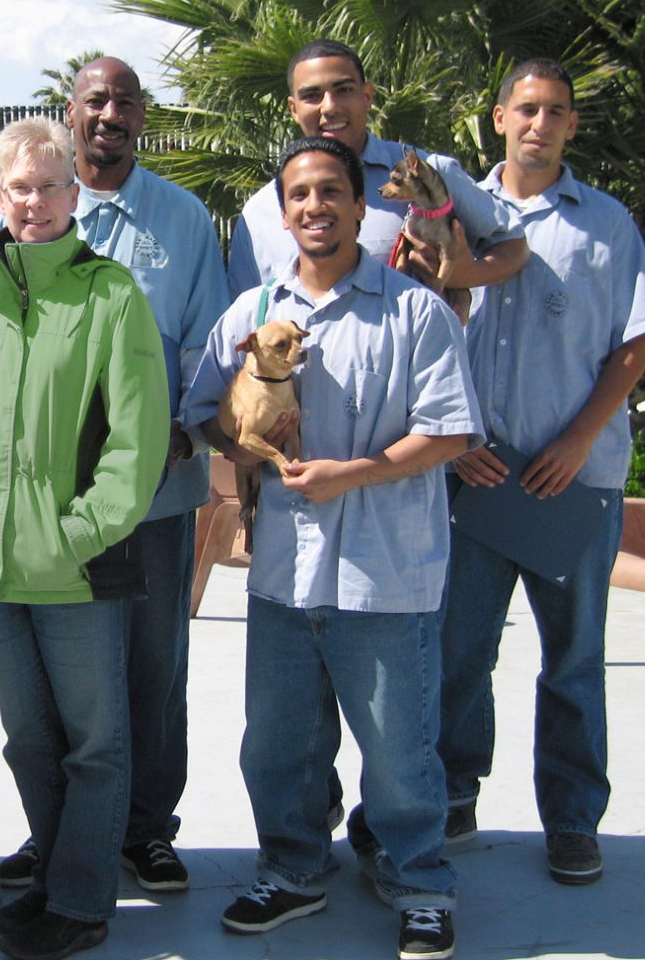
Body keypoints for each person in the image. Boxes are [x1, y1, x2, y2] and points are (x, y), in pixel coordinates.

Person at [181, 136, 481, 960]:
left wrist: (356, 473)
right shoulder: (252, 316)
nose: (314, 206)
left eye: (330, 191)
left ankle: (420, 882)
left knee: (398, 749)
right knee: (280, 744)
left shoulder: (413, 309)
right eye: (299, 195)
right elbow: (202, 408)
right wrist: (238, 444)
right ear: (284, 214)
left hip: (387, 572)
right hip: (283, 573)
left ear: (360, 205)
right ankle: (293, 869)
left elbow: (452, 430)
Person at [0, 116, 169, 960]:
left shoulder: (113, 296)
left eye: (49, 185)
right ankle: (61, 879)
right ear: (0, 195)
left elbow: (137, 444)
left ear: (75, 194)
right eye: (18, 187)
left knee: (95, 742)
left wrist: (76, 534)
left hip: (75, 567)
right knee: (29, 738)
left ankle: (83, 899)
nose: (34, 201)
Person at [0, 57, 229, 894]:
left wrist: (183, 433)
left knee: (154, 665)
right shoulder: (31, 207)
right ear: (71, 110)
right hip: (47, 506)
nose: (110, 115)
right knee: (56, 679)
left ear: (140, 116)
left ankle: (146, 831)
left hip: (155, 494)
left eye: (125, 101)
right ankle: (55, 829)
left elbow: (210, 348)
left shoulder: (184, 219)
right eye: (96, 101)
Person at [436, 58, 645, 885]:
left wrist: (577, 441)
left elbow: (635, 345)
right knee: (457, 652)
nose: (540, 123)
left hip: (575, 485)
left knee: (572, 660)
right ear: (498, 117)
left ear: (572, 126)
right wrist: (453, 439)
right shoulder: (455, 214)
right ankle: (453, 792)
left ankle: (572, 817)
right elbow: (421, 328)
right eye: (526, 108)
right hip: (475, 480)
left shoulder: (606, 225)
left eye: (557, 112)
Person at [227, 38, 527, 301]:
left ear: (367, 96)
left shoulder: (425, 174)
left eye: (343, 90)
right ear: (293, 108)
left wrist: (466, 275)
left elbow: (513, 243)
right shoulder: (260, 214)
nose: (329, 107)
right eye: (312, 96)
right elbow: (249, 325)